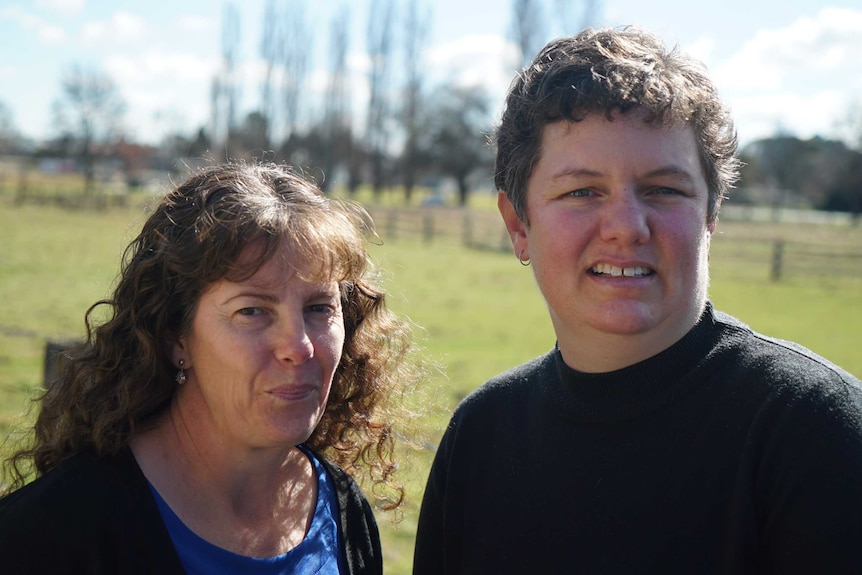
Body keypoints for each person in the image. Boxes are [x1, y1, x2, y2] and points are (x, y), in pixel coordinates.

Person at [413, 26, 862, 574]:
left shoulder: (816, 432)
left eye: (664, 189)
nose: (626, 227)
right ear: (518, 225)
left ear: (712, 212)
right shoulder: (480, 438)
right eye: (582, 191)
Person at [0, 162, 416, 574]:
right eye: (252, 311)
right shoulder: (54, 535)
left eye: (319, 307)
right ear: (175, 335)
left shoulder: (344, 515)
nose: (299, 346)